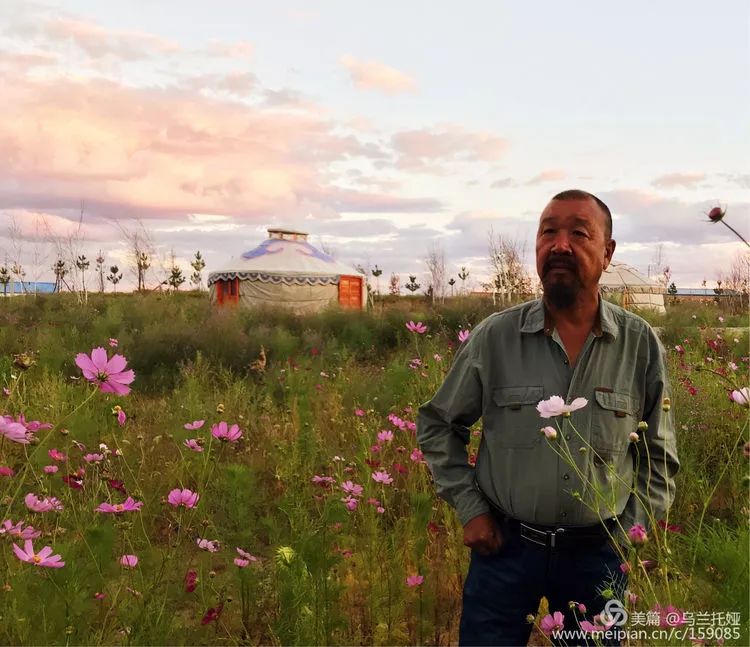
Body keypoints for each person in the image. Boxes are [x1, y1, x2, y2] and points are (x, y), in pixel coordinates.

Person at [417, 189, 679, 646]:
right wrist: (471, 509)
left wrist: (628, 537)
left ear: (608, 252)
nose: (559, 244)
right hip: (505, 548)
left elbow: (659, 456)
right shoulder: (495, 337)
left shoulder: (639, 345)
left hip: (599, 554)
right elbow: (439, 423)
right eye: (547, 232)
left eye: (579, 233)